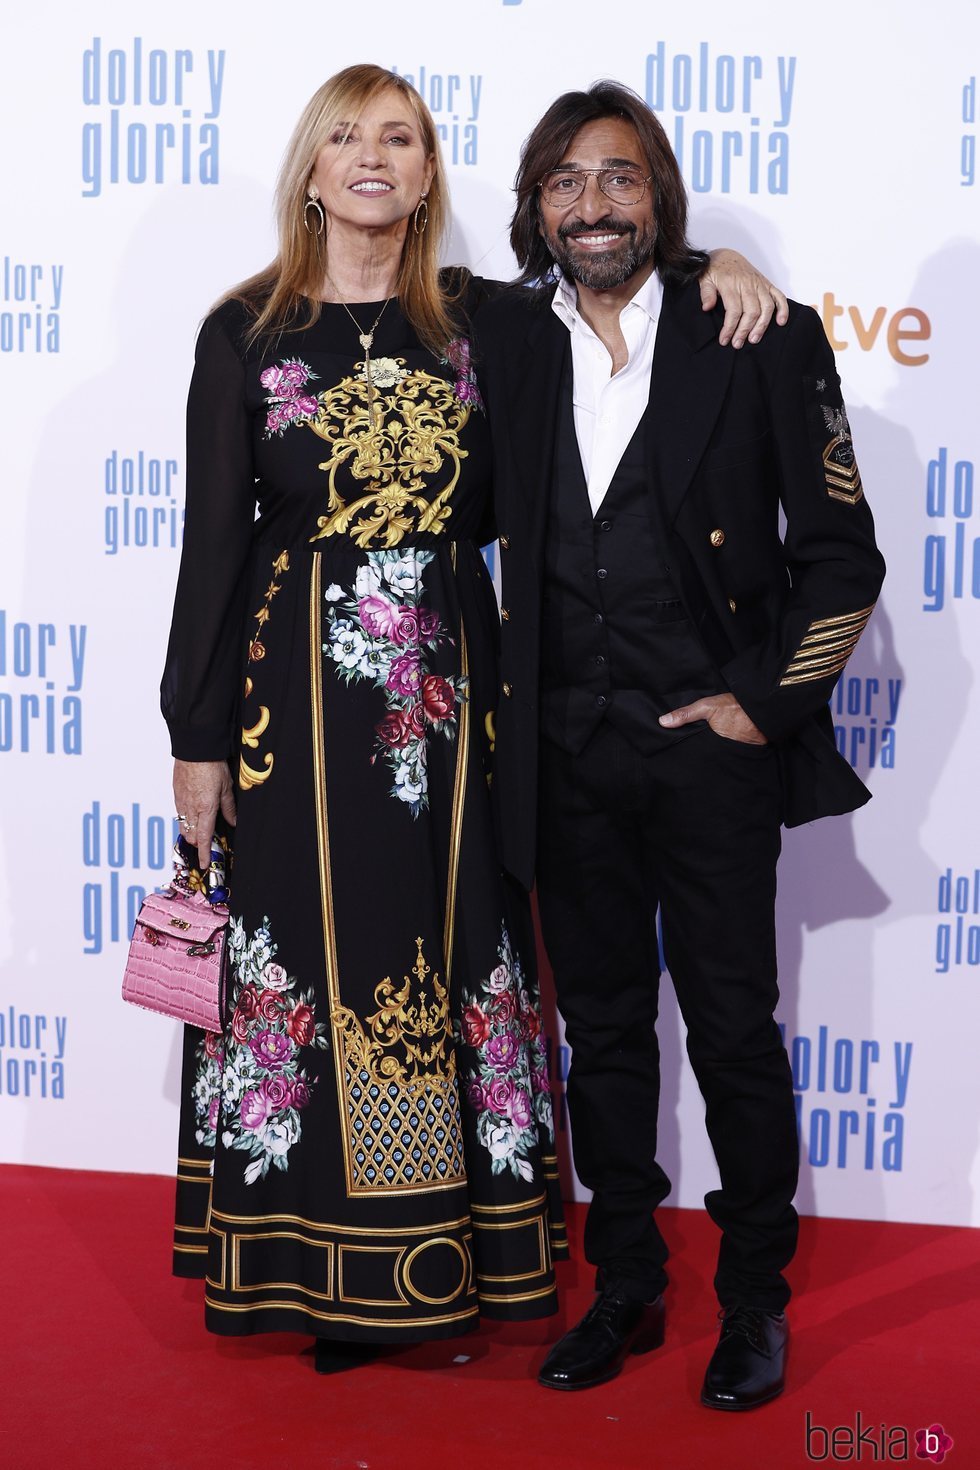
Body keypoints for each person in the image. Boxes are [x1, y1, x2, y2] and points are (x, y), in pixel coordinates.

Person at [161, 63, 786, 1367]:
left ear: (430, 167)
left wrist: (719, 259)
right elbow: (212, 554)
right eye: (348, 137)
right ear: (312, 168)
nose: (374, 159)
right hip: (297, 714)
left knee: (436, 962)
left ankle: (436, 1259)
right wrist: (197, 738)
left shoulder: (489, 332)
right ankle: (324, 1271)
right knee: (312, 968)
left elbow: (612, 284)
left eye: (400, 136)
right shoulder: (246, 332)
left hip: (453, 711)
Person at [473, 81, 886, 1406]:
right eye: (565, 183)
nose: (592, 204)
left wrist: (761, 703)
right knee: (599, 1035)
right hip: (562, 753)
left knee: (732, 1033)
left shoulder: (757, 333)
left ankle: (754, 1297)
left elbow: (843, 559)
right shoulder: (499, 337)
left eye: (619, 178)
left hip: (708, 753)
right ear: (538, 209)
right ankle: (631, 1287)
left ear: (660, 197)